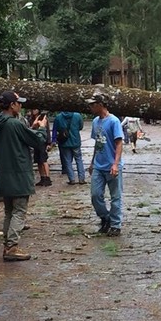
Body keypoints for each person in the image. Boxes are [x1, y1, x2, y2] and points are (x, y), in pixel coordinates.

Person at [0, 91, 48, 261]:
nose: (21, 106)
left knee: (9, 211)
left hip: (4, 174)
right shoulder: (14, 124)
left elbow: (20, 137)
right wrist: (42, 130)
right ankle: (12, 247)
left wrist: (32, 129)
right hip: (19, 173)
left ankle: (7, 245)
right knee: (19, 211)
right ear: (12, 105)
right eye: (19, 103)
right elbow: (37, 141)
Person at [86, 93, 124, 236]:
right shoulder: (95, 122)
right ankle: (105, 218)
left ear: (100, 105)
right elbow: (97, 142)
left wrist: (115, 164)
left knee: (115, 196)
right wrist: (92, 162)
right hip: (98, 165)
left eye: (92, 104)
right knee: (96, 195)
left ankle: (115, 225)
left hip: (111, 165)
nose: (90, 107)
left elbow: (119, 143)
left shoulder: (114, 121)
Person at [53, 110, 86, 185]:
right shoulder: (77, 115)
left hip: (64, 143)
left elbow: (56, 129)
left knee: (67, 161)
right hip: (75, 142)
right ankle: (81, 178)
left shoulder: (58, 117)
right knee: (79, 160)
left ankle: (72, 179)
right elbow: (80, 127)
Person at [27, 108, 52, 187]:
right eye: (33, 109)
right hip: (35, 142)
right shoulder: (31, 119)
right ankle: (42, 177)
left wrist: (48, 142)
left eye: (35, 109)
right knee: (38, 160)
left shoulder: (43, 119)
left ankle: (47, 177)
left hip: (43, 142)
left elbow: (47, 130)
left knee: (44, 160)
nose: (33, 111)